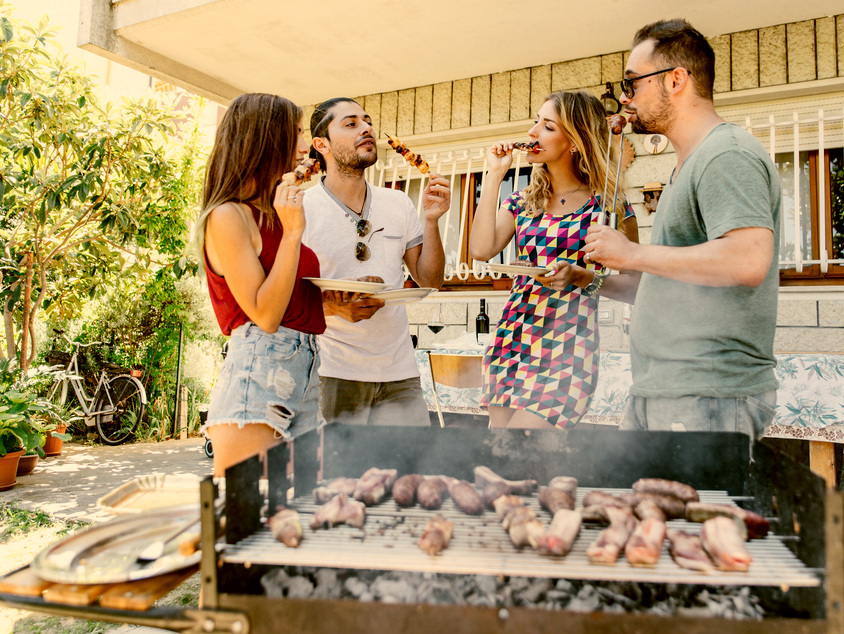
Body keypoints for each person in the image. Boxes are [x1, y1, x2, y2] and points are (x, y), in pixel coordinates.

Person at [583, 19, 782, 439]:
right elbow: (663, 285)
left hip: (707, 395)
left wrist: (632, 254)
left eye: (633, 82)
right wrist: (589, 282)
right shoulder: (687, 165)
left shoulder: (724, 154)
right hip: (668, 392)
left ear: (676, 80)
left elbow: (748, 260)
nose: (624, 97)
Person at [469, 90, 639, 430]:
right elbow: (480, 250)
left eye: (547, 126)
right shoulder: (522, 201)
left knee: (522, 443)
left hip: (567, 346)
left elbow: (637, 288)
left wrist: (582, 277)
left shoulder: (608, 208)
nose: (532, 133)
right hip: (513, 338)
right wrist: (493, 175)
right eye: (536, 122)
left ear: (574, 140)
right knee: (500, 457)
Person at [194, 93, 325, 477]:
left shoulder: (274, 212)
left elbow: (288, 300)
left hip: (307, 364)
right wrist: (293, 232)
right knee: (244, 514)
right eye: (296, 133)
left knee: (298, 512)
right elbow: (265, 315)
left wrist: (338, 305)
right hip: (261, 362)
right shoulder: (227, 215)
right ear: (265, 140)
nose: (305, 146)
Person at [302, 97, 450, 426]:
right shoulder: (300, 209)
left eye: (367, 122)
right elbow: (284, 295)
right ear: (321, 144)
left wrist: (431, 220)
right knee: (343, 477)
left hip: (400, 374)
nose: (366, 128)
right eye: (351, 124)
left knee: (412, 475)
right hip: (332, 374)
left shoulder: (397, 203)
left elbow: (430, 281)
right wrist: (335, 307)